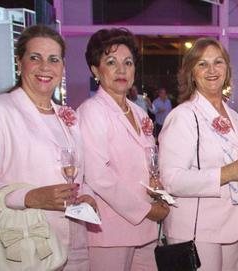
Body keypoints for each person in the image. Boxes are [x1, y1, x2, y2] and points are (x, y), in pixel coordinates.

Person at [0, 24, 96, 270]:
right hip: (24, 248)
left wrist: (86, 194)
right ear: (19, 62)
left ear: (62, 67)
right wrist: (28, 197)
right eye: (35, 57)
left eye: (53, 59)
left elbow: (77, 175)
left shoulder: (67, 116)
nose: (45, 67)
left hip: (73, 247)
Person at [158, 37, 238, 271]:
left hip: (231, 228)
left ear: (227, 70)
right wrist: (226, 173)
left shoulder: (234, 119)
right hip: (195, 231)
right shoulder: (183, 116)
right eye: (202, 64)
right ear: (191, 72)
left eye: (218, 62)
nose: (212, 70)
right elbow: (171, 180)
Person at [77, 27, 169, 270]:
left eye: (128, 63)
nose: (121, 69)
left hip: (146, 231)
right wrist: (146, 210)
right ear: (95, 70)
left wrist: (157, 185)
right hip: (110, 230)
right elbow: (98, 175)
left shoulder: (139, 113)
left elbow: (147, 163)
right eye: (111, 62)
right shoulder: (91, 112)